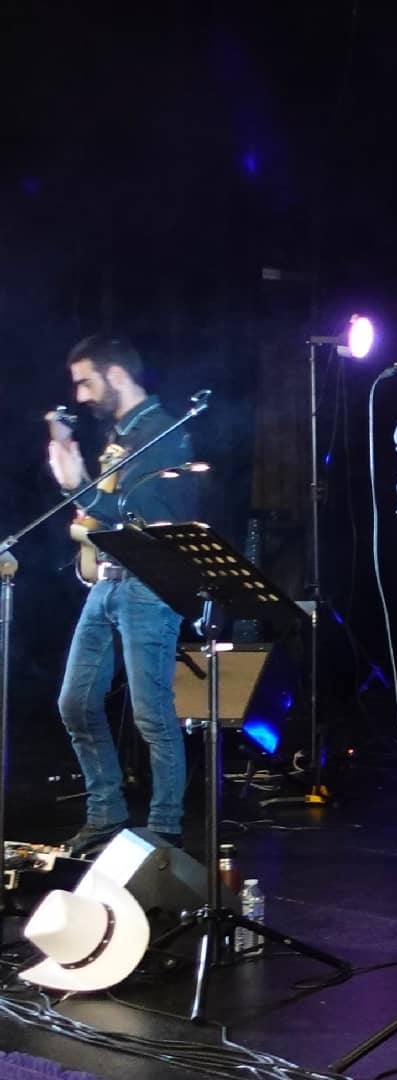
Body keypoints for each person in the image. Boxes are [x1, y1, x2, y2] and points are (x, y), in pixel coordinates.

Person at [48, 335, 199, 856]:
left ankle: (164, 830)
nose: (83, 395)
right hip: (108, 580)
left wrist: (76, 484)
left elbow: (132, 513)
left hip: (147, 585)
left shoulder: (162, 433)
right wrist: (79, 486)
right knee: (75, 701)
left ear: (115, 376)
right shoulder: (122, 433)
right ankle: (106, 814)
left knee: (151, 714)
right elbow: (100, 515)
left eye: (87, 381)